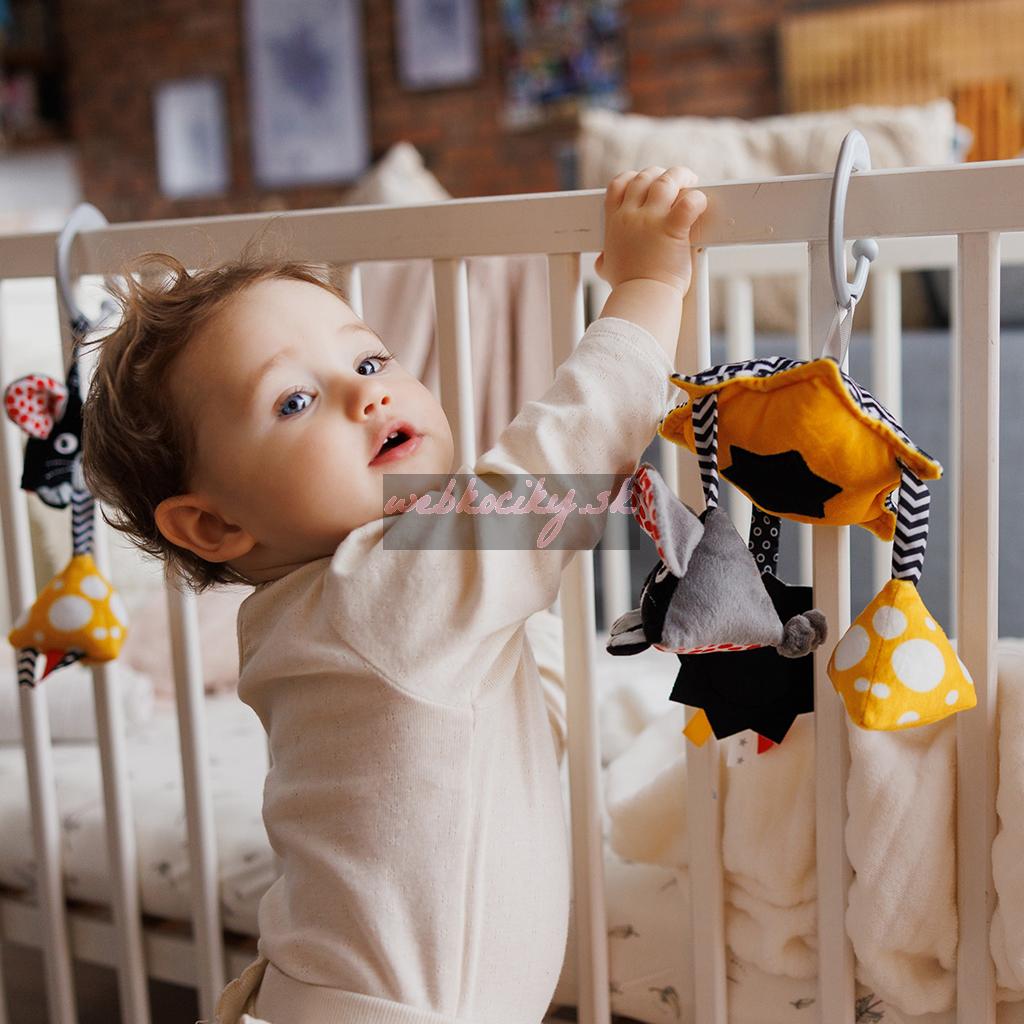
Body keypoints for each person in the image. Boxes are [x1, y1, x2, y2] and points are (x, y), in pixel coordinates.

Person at [81, 165, 707, 1024]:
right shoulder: (376, 592)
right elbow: (568, 452)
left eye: (369, 358)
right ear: (215, 525)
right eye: (294, 401)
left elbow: (509, 707)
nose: (364, 392)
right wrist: (648, 286)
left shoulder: (315, 616)